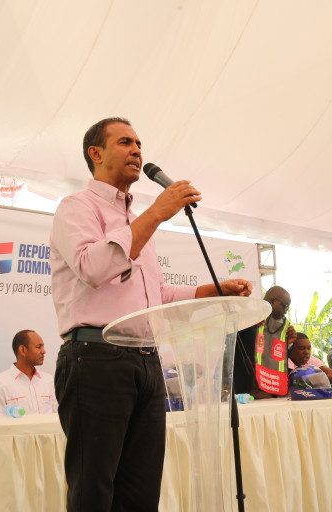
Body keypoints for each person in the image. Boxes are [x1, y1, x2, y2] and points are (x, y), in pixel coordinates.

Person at [49, 117, 253, 512]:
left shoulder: (135, 223)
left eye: (139, 144)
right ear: (96, 153)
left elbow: (156, 297)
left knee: (140, 494)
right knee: (93, 493)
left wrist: (213, 291)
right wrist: (157, 213)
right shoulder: (76, 207)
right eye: (125, 142)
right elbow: (92, 267)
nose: (137, 151)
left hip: (146, 360)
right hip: (95, 360)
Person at [234, 285, 293, 397]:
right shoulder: (246, 315)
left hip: (268, 390)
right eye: (285, 306)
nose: (285, 312)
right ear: (273, 301)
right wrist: (247, 322)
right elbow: (229, 340)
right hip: (242, 390)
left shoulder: (281, 326)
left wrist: (289, 343)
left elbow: (278, 359)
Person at [0, 329, 58, 416]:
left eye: (43, 347)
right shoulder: (0, 383)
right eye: (38, 347)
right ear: (22, 350)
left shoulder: (48, 380)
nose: (44, 351)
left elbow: (57, 415)